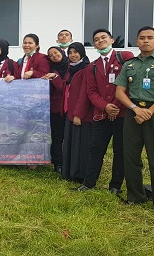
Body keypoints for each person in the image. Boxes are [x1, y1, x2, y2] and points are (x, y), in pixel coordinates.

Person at [115, 26, 154, 215]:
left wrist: (149, 112)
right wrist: (135, 109)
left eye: (150, 38)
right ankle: (135, 196)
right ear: (137, 41)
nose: (146, 41)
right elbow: (119, 91)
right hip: (133, 112)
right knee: (130, 157)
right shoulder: (129, 65)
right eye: (142, 38)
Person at [75, 29, 134, 194]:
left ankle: (115, 186)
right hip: (101, 115)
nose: (100, 41)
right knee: (95, 149)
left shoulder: (125, 57)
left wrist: (116, 106)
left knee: (120, 151)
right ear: (94, 45)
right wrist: (105, 107)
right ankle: (89, 183)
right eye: (96, 39)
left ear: (112, 40)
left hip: (122, 114)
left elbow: (130, 84)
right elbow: (91, 92)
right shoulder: (92, 66)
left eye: (103, 38)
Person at [61, 42, 91, 182]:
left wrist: (78, 114)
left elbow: (85, 94)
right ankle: (68, 172)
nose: (72, 56)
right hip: (70, 111)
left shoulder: (86, 69)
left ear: (82, 53)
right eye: (70, 53)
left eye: (75, 52)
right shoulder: (70, 69)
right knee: (70, 142)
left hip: (80, 114)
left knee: (80, 144)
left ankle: (79, 174)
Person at [42, 46, 69, 174]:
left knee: (69, 137)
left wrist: (55, 77)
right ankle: (57, 162)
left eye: (56, 52)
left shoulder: (70, 67)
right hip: (55, 108)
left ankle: (69, 161)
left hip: (70, 108)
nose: (54, 56)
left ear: (62, 52)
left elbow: (64, 87)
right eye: (51, 55)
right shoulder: (51, 70)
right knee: (57, 137)